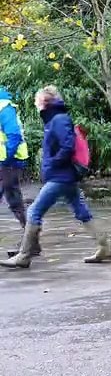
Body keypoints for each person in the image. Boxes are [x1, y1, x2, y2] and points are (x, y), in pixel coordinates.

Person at [0, 85, 111, 269]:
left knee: (34, 211)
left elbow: (66, 146)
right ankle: (105, 247)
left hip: (60, 177)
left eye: (37, 100)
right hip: (64, 177)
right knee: (81, 211)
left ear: (45, 101)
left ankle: (24, 255)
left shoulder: (59, 119)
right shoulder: (54, 119)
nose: (35, 104)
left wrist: (53, 164)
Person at [0, 86, 33, 258]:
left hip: (10, 162)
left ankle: (31, 243)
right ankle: (31, 243)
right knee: (14, 201)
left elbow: (13, 135)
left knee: (15, 201)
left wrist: (6, 159)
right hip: (5, 162)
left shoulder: (4, 108)